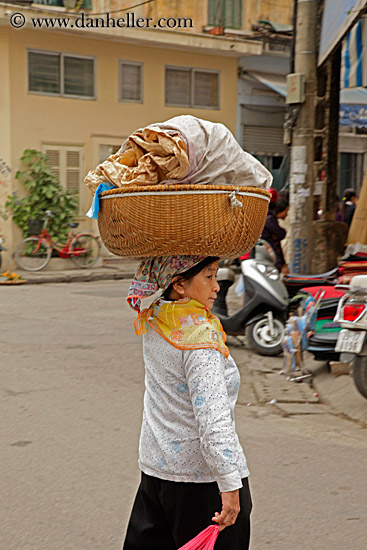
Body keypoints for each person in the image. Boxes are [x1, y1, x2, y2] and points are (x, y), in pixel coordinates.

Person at [123, 255, 252, 550]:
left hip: (157, 473)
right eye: (208, 276)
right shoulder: (200, 338)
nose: (217, 287)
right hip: (203, 484)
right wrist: (230, 486)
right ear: (179, 285)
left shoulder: (157, 318)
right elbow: (213, 420)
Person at [261, 198, 289, 275]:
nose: (287, 214)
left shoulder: (269, 218)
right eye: (286, 212)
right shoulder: (269, 220)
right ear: (280, 210)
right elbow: (280, 235)